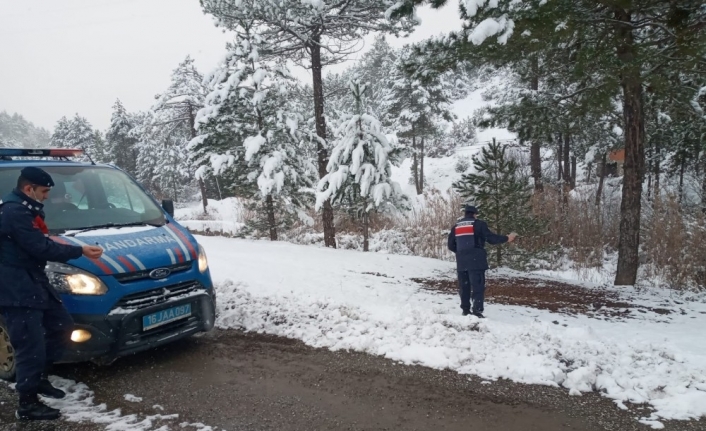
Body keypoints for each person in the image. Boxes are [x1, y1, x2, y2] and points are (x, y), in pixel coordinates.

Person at [0, 167, 103, 421]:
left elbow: (40, 242)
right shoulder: (13, 213)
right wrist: (80, 251)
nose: (46, 196)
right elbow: (40, 246)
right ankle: (27, 404)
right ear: (29, 189)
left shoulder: (26, 209)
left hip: (34, 282)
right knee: (29, 346)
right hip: (16, 288)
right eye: (44, 191)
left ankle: (40, 377)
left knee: (61, 327)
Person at [447, 205, 516, 318]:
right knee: (477, 285)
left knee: (464, 286)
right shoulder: (479, 224)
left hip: (462, 262)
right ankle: (477, 311)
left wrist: (461, 252)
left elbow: (450, 245)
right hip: (476, 261)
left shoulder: (456, 227)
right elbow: (491, 238)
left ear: (465, 214)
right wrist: (506, 238)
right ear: (475, 214)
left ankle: (465, 310)